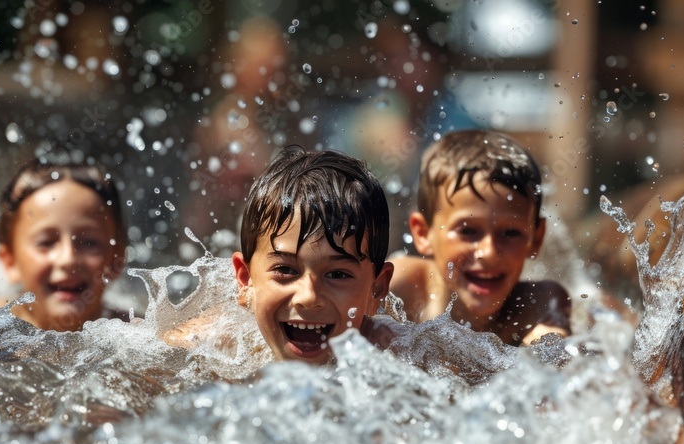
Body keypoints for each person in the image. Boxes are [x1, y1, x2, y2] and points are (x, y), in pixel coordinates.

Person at [389, 130, 570, 346]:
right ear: (423, 233)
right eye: (468, 231)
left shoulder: (539, 304)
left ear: (536, 238)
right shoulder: (401, 287)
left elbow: (555, 355)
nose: (489, 252)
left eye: (510, 233)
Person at [230, 147, 395, 364]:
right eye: (285, 270)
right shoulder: (217, 348)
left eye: (337, 274)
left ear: (376, 289)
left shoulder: (401, 359)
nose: (308, 297)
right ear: (245, 280)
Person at [0, 158, 127, 331]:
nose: (68, 259)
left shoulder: (140, 332)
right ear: (10, 262)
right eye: (46, 243)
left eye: (89, 242)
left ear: (118, 257)